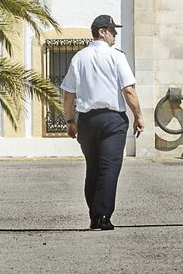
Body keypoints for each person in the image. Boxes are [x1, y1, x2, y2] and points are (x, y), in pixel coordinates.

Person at [59, 14, 144, 230]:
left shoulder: (79, 58)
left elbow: (68, 94)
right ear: (101, 32)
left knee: (93, 168)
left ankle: (94, 216)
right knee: (110, 168)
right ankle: (104, 215)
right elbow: (128, 89)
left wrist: (70, 121)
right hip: (112, 120)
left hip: (87, 120)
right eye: (112, 30)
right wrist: (139, 116)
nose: (115, 34)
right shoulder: (116, 57)